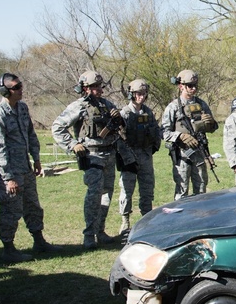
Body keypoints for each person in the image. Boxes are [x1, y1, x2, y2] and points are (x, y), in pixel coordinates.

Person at [52, 70, 130, 250]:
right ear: (84, 88)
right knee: (93, 195)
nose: (98, 90)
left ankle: (100, 230)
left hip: (109, 154)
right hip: (92, 156)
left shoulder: (106, 104)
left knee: (107, 194)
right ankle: (89, 234)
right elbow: (57, 127)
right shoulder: (78, 106)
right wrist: (72, 144)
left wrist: (119, 119)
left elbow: (121, 125)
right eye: (94, 87)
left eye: (99, 86)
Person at [0, 73, 59, 262]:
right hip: (10, 173)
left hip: (26, 169)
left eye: (21, 86)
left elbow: (31, 134)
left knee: (33, 206)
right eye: (16, 88)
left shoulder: (22, 108)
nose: (21, 90)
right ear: (5, 91)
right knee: (11, 210)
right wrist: (8, 177)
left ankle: (39, 240)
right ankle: (9, 248)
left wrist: (36, 159)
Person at [115, 78, 163, 239]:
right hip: (129, 156)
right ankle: (125, 221)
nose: (141, 97)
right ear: (131, 94)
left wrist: (154, 146)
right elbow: (119, 136)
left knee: (147, 189)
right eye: (137, 94)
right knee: (127, 190)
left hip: (145, 155)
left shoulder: (148, 113)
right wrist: (126, 156)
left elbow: (156, 131)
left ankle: (146, 220)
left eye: (143, 94)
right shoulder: (125, 113)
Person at [161, 69, 218, 199]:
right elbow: (163, 132)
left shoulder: (201, 104)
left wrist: (210, 123)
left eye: (195, 86)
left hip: (199, 153)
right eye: (189, 86)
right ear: (181, 86)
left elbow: (213, 128)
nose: (193, 89)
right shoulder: (173, 107)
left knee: (201, 190)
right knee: (182, 191)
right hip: (182, 155)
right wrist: (180, 136)